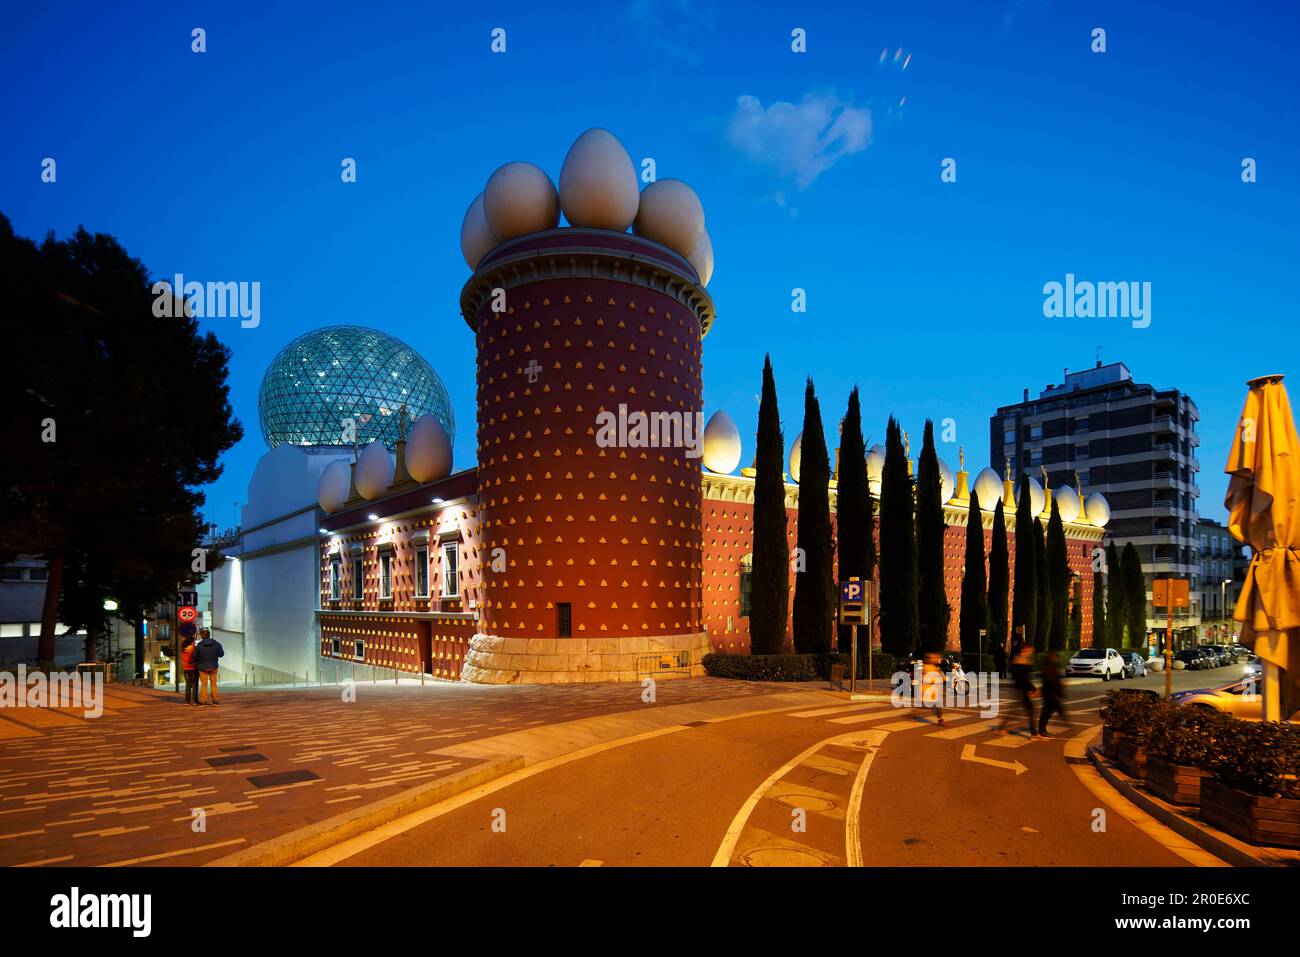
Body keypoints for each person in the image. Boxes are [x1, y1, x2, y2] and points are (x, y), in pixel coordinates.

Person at [996, 639, 1037, 736]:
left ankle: (1000, 728)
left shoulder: (1021, 659)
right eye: (1030, 650)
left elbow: (1023, 678)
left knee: (1018, 711)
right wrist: (1032, 689)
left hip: (1020, 689)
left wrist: (1031, 688)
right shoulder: (1020, 660)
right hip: (1021, 690)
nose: (1031, 652)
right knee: (1028, 710)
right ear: (1026, 649)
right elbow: (1023, 678)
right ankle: (1034, 734)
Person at [1038, 650, 1066, 738]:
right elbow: (1052, 680)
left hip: (1050, 693)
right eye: (1056, 657)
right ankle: (1042, 730)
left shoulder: (1050, 665)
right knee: (1047, 712)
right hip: (1050, 693)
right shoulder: (1049, 666)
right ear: (1053, 657)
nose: (1058, 659)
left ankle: (1042, 729)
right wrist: (1059, 690)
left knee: (1048, 712)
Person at [193, 628, 224, 706]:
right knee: (214, 684)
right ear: (209, 634)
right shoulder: (217, 643)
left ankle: (203, 701)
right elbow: (221, 654)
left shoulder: (199, 645)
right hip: (213, 666)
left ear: (202, 635)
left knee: (204, 684)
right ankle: (215, 701)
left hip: (202, 667)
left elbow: (195, 656)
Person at [920, 651, 946, 726]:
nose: (937, 659)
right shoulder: (925, 667)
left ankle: (941, 720)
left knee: (934, 705)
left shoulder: (935, 668)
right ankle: (941, 720)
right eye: (934, 658)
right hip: (928, 691)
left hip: (934, 691)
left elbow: (942, 677)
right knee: (935, 705)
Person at [179, 634, 199, 705]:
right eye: (193, 641)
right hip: (193, 668)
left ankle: (187, 701)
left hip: (186, 668)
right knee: (194, 685)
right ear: (191, 642)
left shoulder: (183, 650)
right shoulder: (193, 648)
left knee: (188, 685)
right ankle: (194, 701)